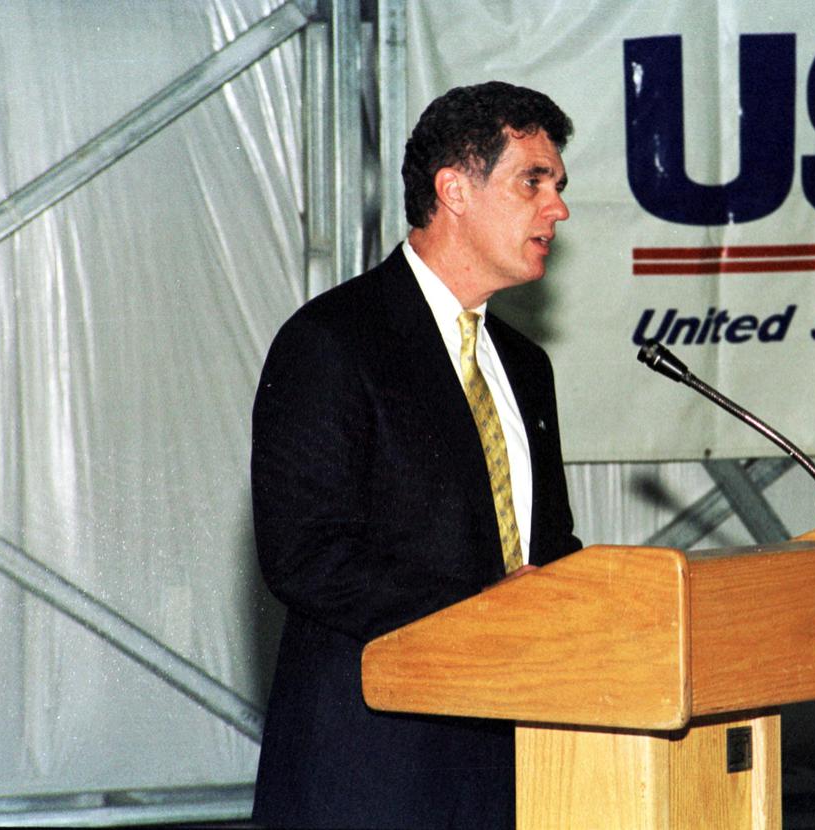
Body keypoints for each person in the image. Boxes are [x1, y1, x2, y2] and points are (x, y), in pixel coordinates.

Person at [249, 81, 583, 829]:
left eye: (559, 185)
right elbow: (306, 555)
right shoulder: (333, 341)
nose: (557, 207)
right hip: (374, 768)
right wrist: (488, 608)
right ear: (453, 190)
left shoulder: (525, 365)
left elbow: (546, 551)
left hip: (516, 760)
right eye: (534, 180)